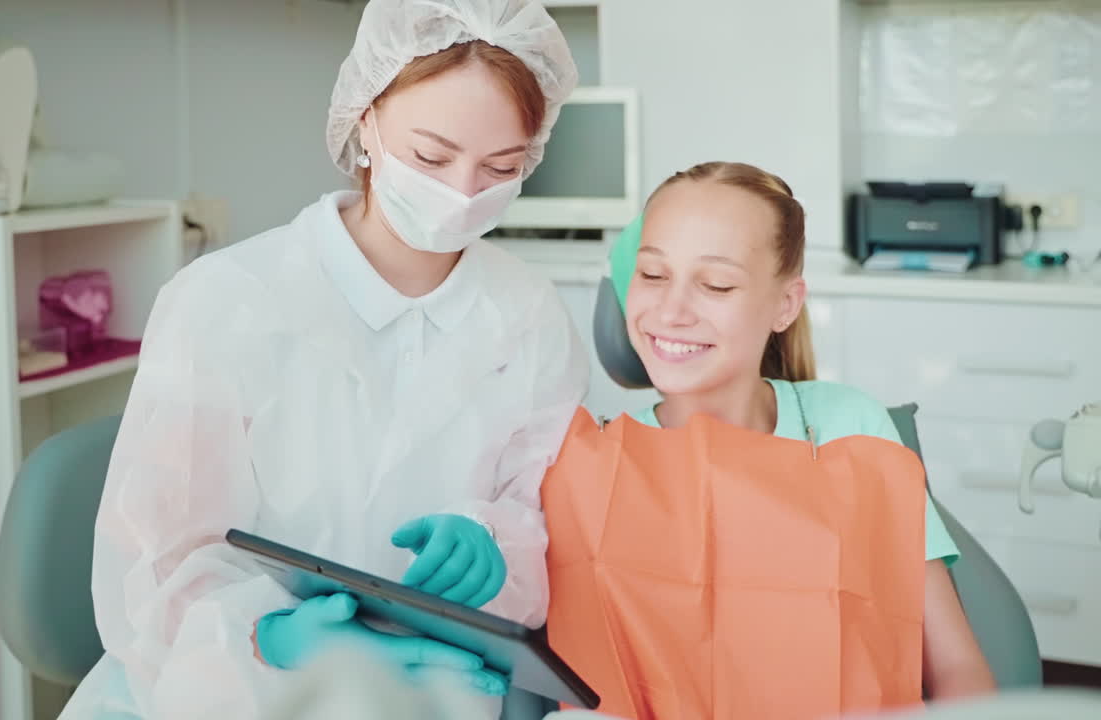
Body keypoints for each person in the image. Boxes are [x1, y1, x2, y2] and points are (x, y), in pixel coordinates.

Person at [57, 2, 587, 718]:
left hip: (443, 681)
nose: (463, 193)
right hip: (224, 683)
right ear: (366, 121)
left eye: (502, 167)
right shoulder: (226, 300)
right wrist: (267, 637)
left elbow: (544, 517)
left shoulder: (529, 316)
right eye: (431, 158)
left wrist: (496, 543)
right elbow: (156, 565)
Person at [542, 161, 995, 718]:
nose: (671, 311)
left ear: (785, 304)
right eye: (653, 275)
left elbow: (957, 666)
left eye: (715, 284)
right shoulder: (592, 465)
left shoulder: (853, 430)